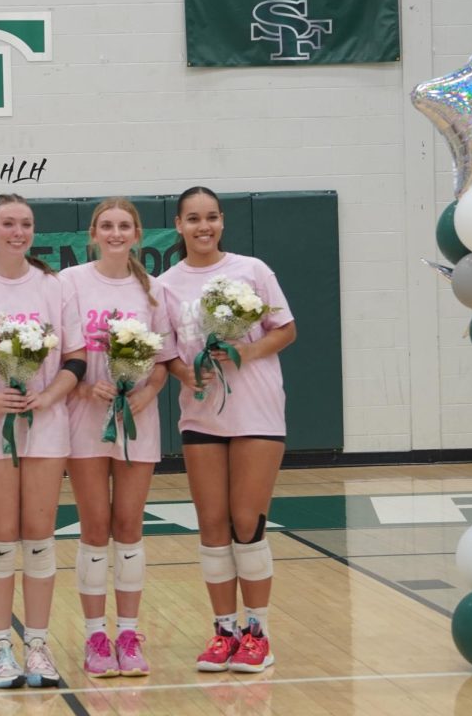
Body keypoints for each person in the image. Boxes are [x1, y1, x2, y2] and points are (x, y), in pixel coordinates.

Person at [0, 193, 87, 689]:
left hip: (47, 425)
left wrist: (50, 395)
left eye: (26, 224)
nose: (18, 232)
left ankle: (39, 646)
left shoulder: (54, 287)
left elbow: (75, 358)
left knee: (39, 533)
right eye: (7, 223)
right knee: (2, 534)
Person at [159, 186, 296, 674]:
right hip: (201, 416)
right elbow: (167, 352)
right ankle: (224, 631)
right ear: (178, 225)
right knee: (212, 524)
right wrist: (186, 372)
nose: (204, 226)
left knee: (247, 521)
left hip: (257, 413)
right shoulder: (166, 285)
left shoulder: (252, 270)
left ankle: (257, 633)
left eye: (212, 217)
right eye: (193, 218)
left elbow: (286, 329)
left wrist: (245, 352)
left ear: (222, 222)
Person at [60, 198, 174, 678]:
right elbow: (63, 353)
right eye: (106, 225)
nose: (115, 233)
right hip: (85, 418)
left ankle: (128, 633)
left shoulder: (154, 291)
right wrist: (86, 386)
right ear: (92, 233)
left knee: (128, 526)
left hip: (135, 421)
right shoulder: (70, 283)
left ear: (137, 233)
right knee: (93, 527)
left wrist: (147, 392)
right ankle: (94, 638)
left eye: (124, 225)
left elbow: (164, 362)